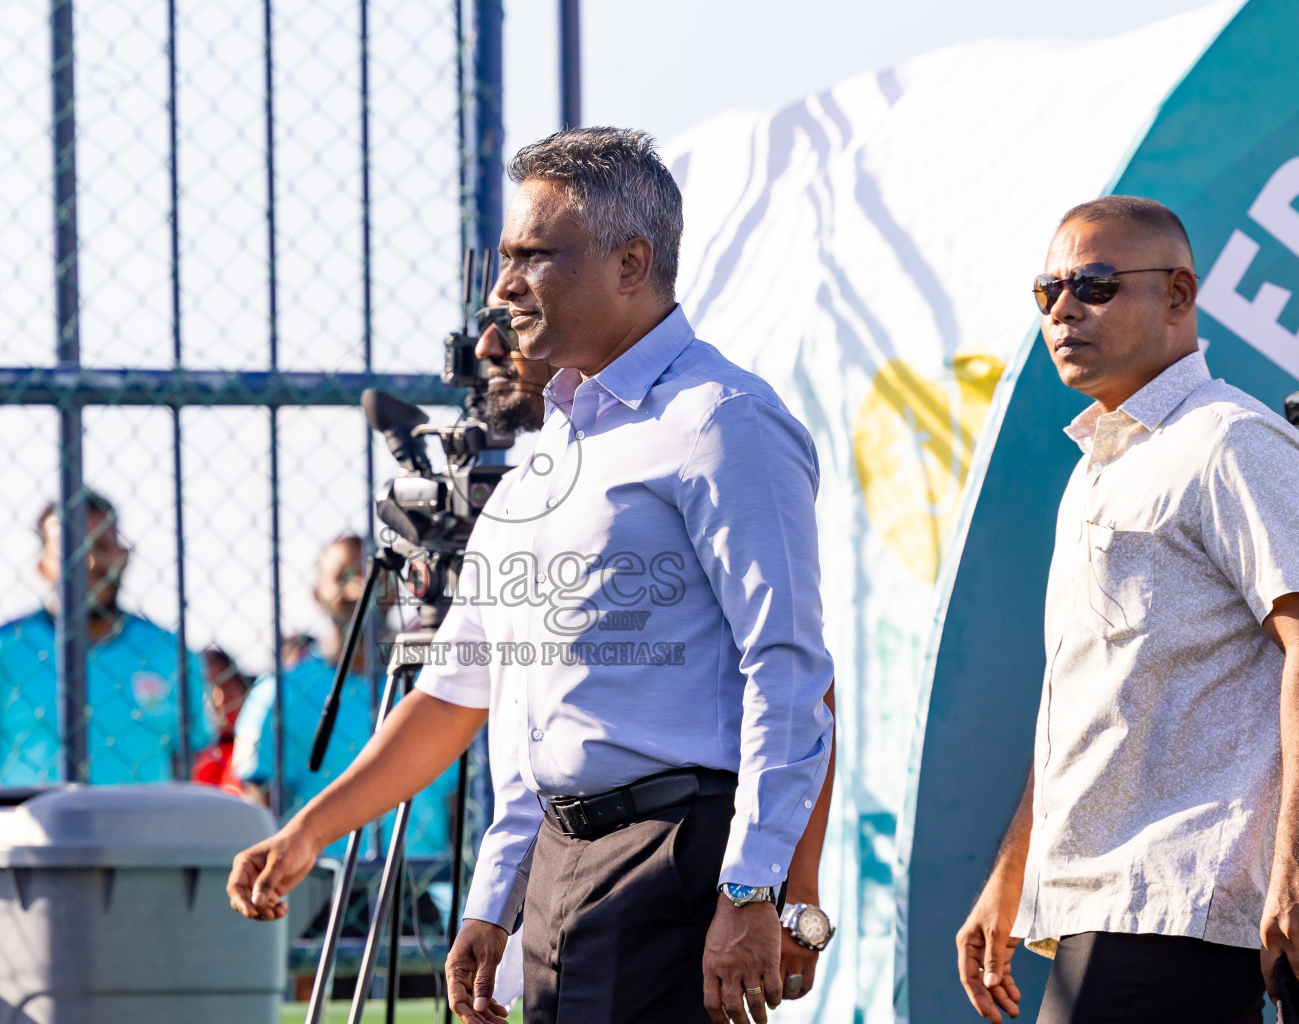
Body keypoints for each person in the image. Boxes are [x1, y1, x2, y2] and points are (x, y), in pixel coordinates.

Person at [229, 127, 837, 1024]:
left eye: (533, 257)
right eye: (505, 259)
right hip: (561, 869)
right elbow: (469, 698)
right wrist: (475, 895)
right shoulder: (541, 468)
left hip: (676, 859)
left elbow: (791, 677)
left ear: (632, 264)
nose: (502, 288)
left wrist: (758, 889)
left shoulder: (723, 423)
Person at [954, 196, 1299, 1024]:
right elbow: (1094, 694)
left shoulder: (1228, 441)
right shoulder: (1099, 467)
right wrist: (1014, 873)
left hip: (1184, 901)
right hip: (1098, 904)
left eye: (1097, 284)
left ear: (1179, 295)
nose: (1065, 308)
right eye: (1049, 291)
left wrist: (1293, 867)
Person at [0, 490, 207, 785]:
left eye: (101, 546)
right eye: (70, 549)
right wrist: (3, 819)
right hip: (34, 832)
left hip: (145, 830)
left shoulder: (170, 654)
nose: (89, 563)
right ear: (42, 565)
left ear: (123, 556)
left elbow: (191, 755)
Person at [232, 534, 457, 860]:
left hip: (419, 884)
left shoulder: (434, 685)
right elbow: (258, 801)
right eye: (343, 577)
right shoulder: (281, 692)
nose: (359, 588)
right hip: (319, 887)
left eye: (373, 577)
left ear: (395, 590)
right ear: (317, 594)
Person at [193, 647, 248, 796]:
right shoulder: (200, 763)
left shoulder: (257, 744)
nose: (222, 699)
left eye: (228, 684)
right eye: (210, 689)